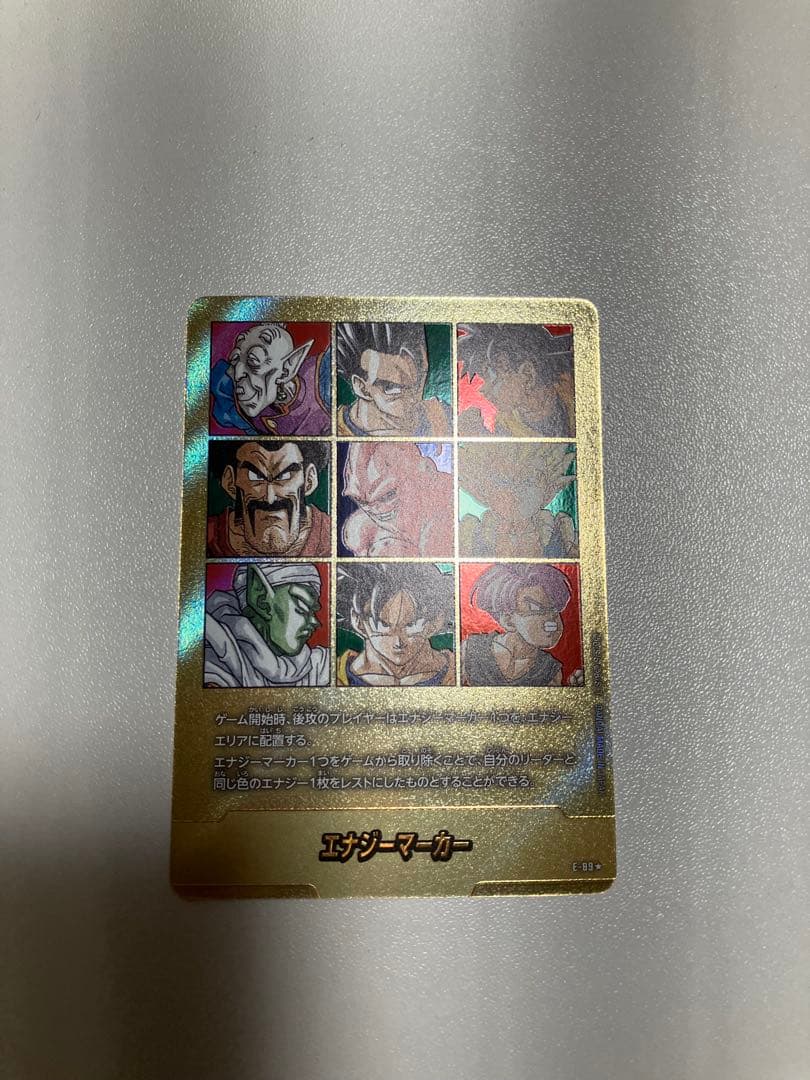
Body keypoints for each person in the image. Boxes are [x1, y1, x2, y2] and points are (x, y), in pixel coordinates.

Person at [204, 563, 328, 687]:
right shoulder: (212, 662)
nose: (315, 622)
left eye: (313, 611)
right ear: (262, 600)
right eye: (303, 608)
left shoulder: (318, 665)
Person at [463, 563, 582, 687]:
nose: (551, 618)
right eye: (535, 608)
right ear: (508, 620)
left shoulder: (548, 670)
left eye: (555, 608)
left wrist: (573, 690)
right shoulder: (471, 650)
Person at [337, 563, 454, 686]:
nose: (398, 642)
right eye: (384, 625)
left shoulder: (459, 672)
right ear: (358, 621)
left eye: (411, 625)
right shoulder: (330, 673)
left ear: (436, 622)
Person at [207, 440, 331, 557]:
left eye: (285, 476)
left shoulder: (331, 537)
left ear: (309, 480)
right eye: (254, 476)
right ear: (230, 482)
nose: (270, 498)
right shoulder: (207, 536)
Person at [458, 442, 578, 558]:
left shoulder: (562, 535)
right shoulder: (472, 535)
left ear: (549, 485)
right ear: (481, 488)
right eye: (502, 480)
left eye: (529, 480)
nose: (515, 490)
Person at [210, 322, 331, 435]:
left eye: (253, 361)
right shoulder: (230, 403)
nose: (237, 375)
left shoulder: (322, 376)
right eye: (235, 360)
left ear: (286, 369)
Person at [458, 323, 575, 437]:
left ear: (528, 375)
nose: (483, 389)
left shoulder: (574, 396)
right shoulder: (505, 424)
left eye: (492, 376)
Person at [336, 322, 451, 436]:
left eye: (419, 382)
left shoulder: (443, 418)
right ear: (361, 387)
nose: (413, 400)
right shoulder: (333, 433)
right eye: (393, 388)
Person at [340, 441, 454, 556]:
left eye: (388, 495)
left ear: (427, 470)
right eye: (361, 501)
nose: (375, 509)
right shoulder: (362, 530)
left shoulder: (448, 515)